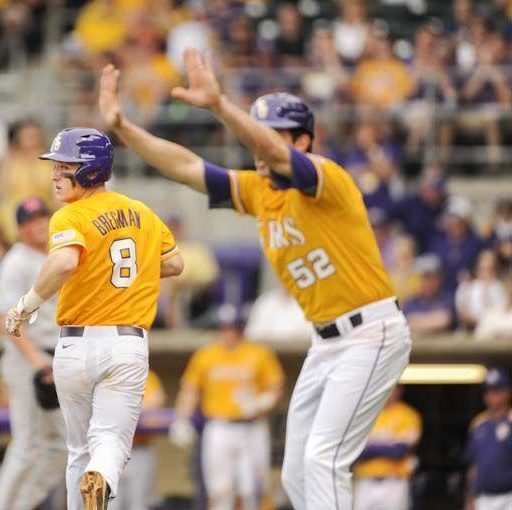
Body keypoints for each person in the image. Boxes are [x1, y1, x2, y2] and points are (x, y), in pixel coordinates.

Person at [99, 49, 411, 510]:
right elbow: (187, 168)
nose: (261, 143)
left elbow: (269, 151)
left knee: (323, 459)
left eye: (277, 132)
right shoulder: (261, 192)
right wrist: (124, 129)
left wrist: (221, 105)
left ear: (302, 141)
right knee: (295, 471)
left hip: (370, 330)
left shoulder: (327, 178)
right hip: (326, 341)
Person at [2, 127, 184, 510]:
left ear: (90, 169)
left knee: (77, 450)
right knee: (110, 445)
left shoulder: (72, 214)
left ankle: (93, 478)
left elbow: (66, 260)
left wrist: (27, 305)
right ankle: (102, 475)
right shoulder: (142, 212)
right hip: (125, 343)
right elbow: (175, 263)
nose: (54, 175)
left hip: (73, 344)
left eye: (64, 166)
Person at [0, 198, 68, 510]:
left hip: (54, 356)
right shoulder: (15, 262)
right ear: (20, 228)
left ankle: (16, 504)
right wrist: (37, 363)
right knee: (28, 445)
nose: (41, 224)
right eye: (33, 220)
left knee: (60, 446)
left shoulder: (56, 256)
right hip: (28, 359)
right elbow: (7, 321)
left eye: (43, 217)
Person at [169, 307, 284, 510]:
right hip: (219, 427)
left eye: (233, 328)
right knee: (220, 490)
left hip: (253, 427)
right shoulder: (206, 355)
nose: (228, 333)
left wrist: (261, 402)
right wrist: (181, 419)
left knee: (253, 490)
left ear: (241, 330)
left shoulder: (259, 353)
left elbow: (277, 388)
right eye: (223, 328)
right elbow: (190, 390)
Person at [353, 386, 422, 510]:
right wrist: (388, 445)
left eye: (393, 388)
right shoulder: (364, 414)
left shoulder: (408, 415)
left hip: (395, 482)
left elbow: (399, 452)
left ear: (399, 391)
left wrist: (371, 446)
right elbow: (357, 452)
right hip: (365, 481)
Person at [111, 369, 166, 510]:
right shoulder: (107, 373)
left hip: (139, 448)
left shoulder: (146, 375)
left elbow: (154, 404)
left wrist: (125, 410)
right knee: (110, 504)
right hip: (111, 450)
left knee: (139, 504)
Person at [464, 367, 512, 510]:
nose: (491, 396)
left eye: (496, 391)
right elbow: (473, 464)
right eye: (488, 391)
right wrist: (469, 496)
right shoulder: (478, 423)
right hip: (483, 497)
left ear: (508, 392)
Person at [403, 254, 455, 335]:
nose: (427, 282)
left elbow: (443, 320)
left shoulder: (447, 298)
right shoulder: (411, 301)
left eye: (430, 277)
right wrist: (431, 320)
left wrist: (417, 321)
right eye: (423, 277)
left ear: (439, 278)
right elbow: (406, 323)